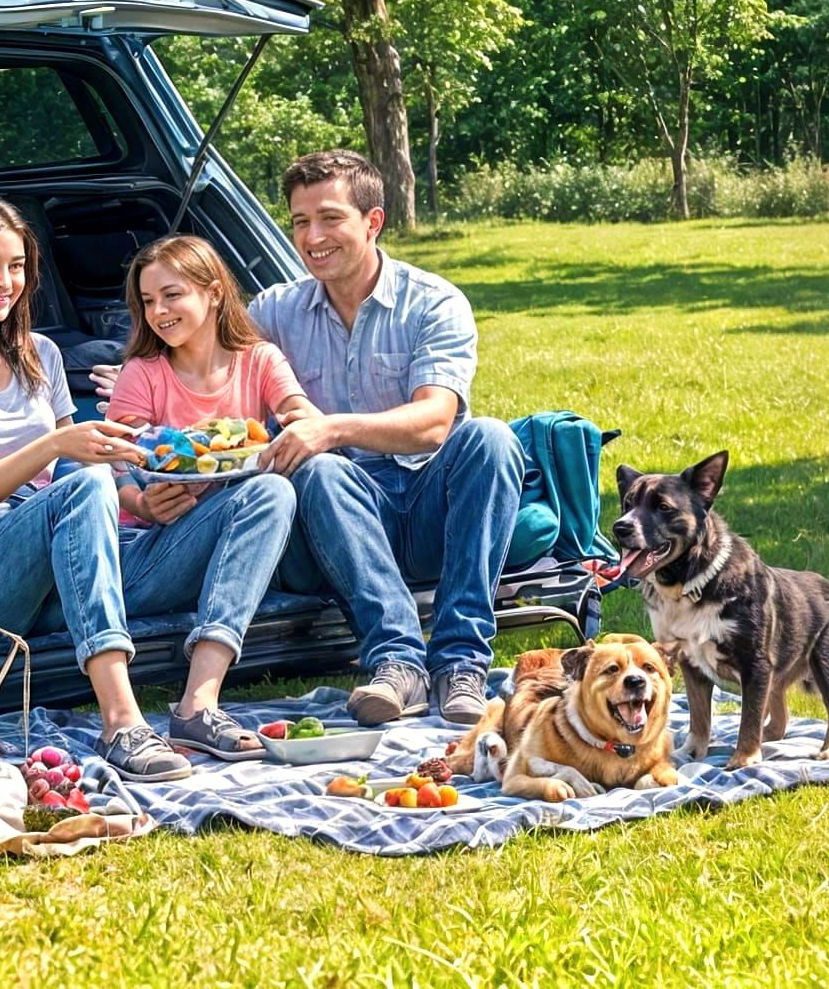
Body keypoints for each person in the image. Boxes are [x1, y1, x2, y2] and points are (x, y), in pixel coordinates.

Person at [97, 150, 525, 727]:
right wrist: (136, 371)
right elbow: (207, 340)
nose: (312, 237)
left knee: (491, 439)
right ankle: (398, 663)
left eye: (329, 219)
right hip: (333, 522)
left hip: (425, 507)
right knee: (320, 469)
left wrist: (329, 427)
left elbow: (434, 424)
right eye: (300, 222)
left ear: (372, 222)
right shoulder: (276, 311)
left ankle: (461, 662)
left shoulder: (434, 303)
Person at [0, 195, 292, 780]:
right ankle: (122, 720)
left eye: (17, 265)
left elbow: (93, 464)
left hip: (66, 576)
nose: (6, 281)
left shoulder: (38, 354)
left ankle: (199, 705)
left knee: (268, 493)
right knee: (81, 481)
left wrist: (141, 500)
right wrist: (51, 447)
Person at [105, 234, 313, 757]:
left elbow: (301, 415)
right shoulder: (143, 374)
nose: (159, 312)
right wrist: (140, 503)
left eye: (171, 295)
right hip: (156, 550)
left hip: (239, 549)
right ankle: (197, 707)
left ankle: (199, 704)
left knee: (270, 491)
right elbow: (112, 462)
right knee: (267, 493)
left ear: (215, 292)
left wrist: (293, 424)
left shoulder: (259, 361)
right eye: (148, 301)